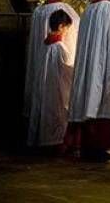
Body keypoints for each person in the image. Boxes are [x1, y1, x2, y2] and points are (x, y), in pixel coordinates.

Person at [69, 0, 110, 161]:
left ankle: (87, 146)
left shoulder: (89, 9)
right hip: (103, 65)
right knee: (101, 103)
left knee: (89, 100)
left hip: (88, 63)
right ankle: (98, 147)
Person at [24, 0, 79, 131]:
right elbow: (76, 35)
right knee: (59, 101)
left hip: (41, 62)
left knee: (43, 98)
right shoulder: (66, 10)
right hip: (60, 64)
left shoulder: (38, 11)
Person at [26, 9, 75, 151]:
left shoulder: (45, 44)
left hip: (44, 85)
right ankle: (54, 143)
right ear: (61, 27)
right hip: (55, 88)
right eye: (66, 28)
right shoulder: (59, 47)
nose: (66, 32)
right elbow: (68, 68)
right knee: (57, 112)